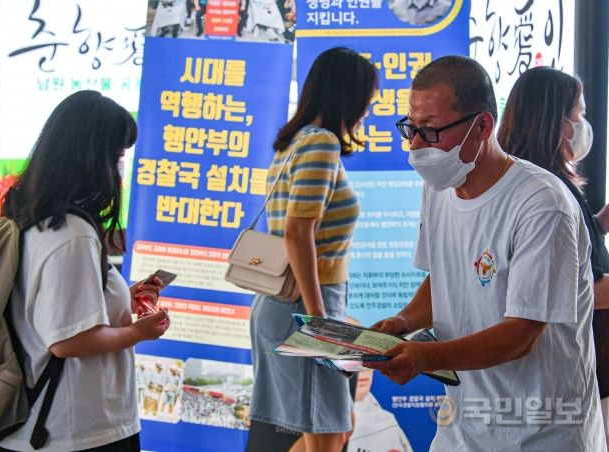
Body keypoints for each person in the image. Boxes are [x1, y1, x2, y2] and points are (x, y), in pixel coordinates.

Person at [365, 56, 606, 451]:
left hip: (541, 430)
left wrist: (423, 357)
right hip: (463, 425)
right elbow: (444, 277)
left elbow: (522, 334)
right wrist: (400, 322)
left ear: (482, 126)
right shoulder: (439, 186)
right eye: (411, 129)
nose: (416, 146)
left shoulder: (540, 203)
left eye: (431, 131)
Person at [0, 90, 171, 451]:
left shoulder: (32, 216)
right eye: (117, 156)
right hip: (72, 431)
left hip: (41, 426)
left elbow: (53, 310)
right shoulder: (71, 233)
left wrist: (119, 299)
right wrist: (138, 332)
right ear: (91, 159)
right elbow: (69, 341)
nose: (119, 169)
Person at [248, 47, 378, 452]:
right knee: (328, 432)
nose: (368, 111)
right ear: (347, 95)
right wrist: (318, 322)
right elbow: (297, 233)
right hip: (302, 308)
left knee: (334, 426)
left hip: (298, 304)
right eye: (367, 100)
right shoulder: (320, 143)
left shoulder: (296, 143)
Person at [498, 66, 609, 448]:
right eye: (578, 115)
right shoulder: (552, 194)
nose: (582, 126)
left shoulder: (524, 182)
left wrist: (600, 223)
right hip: (567, 368)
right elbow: (588, 286)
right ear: (556, 121)